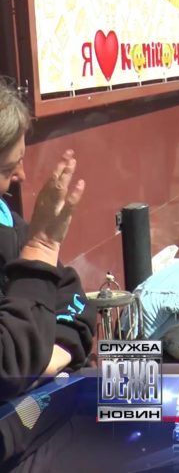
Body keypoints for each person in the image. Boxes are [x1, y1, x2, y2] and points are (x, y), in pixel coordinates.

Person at [0, 82, 95, 402]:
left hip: (46, 395)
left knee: (178, 387)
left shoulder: (8, 224)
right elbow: (8, 366)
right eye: (8, 169)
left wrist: (51, 357)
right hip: (17, 431)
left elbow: (76, 302)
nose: (22, 177)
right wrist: (40, 246)